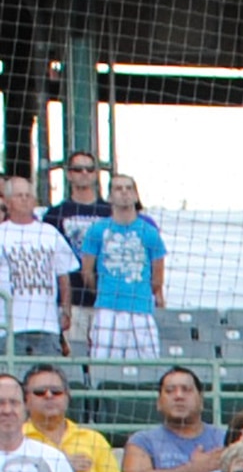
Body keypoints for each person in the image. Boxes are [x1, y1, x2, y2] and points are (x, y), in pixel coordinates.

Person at [76, 173, 166, 360]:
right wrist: (104, 292)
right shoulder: (96, 230)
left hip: (141, 310)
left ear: (135, 195)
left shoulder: (150, 232)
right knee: (102, 363)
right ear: (109, 197)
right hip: (107, 309)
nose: (124, 193)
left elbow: (157, 278)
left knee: (148, 364)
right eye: (118, 188)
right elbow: (87, 271)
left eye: (128, 188)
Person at [0, 176, 79, 356]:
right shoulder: (2, 234)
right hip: (10, 326)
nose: (25, 199)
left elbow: (63, 276)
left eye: (28, 195)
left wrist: (66, 310)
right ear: (7, 201)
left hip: (47, 325)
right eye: (19, 195)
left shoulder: (50, 233)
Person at [43, 151, 111, 357]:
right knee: (75, 359)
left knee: (106, 361)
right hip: (72, 300)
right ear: (68, 174)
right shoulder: (55, 214)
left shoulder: (110, 212)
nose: (84, 173)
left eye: (89, 169)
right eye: (77, 169)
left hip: (107, 300)